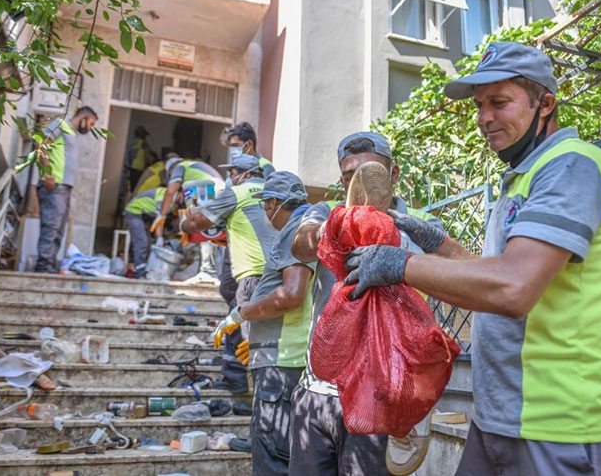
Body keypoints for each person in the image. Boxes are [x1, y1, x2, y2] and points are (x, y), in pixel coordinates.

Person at [343, 42, 601, 476]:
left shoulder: (572, 166)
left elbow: (513, 288)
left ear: (546, 104)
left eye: (499, 103)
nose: (484, 119)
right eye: (480, 106)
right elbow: (494, 274)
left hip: (563, 426)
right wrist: (439, 244)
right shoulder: (522, 178)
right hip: (500, 417)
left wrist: (398, 264)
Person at [289, 131, 458, 476]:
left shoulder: (421, 227)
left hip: (380, 399)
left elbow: (456, 274)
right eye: (350, 176)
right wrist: (333, 227)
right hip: (317, 394)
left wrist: (401, 260)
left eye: (371, 172)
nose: (360, 183)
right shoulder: (328, 215)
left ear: (393, 175)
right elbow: (299, 244)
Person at [217, 171, 313, 475]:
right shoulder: (305, 226)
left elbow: (290, 295)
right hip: (284, 356)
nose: (265, 213)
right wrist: (257, 340)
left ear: (273, 202)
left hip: (282, 362)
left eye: (264, 206)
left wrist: (240, 313)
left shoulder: (294, 230)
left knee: (272, 459)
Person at [182, 154, 279, 394]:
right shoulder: (272, 192)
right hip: (280, 272)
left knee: (252, 336)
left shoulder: (236, 193)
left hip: (253, 274)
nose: (230, 178)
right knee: (252, 323)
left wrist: (182, 223)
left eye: (232, 173)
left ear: (244, 174)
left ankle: (262, 398)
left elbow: (198, 223)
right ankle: (236, 375)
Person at [34, 106, 98, 273]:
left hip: (64, 187)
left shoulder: (71, 133)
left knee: (58, 229)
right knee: (51, 226)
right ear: (84, 117)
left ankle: (49, 264)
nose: (90, 128)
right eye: (91, 123)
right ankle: (43, 266)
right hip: (54, 185)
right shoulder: (60, 124)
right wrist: (48, 173)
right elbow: (40, 143)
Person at [152, 157, 224, 284]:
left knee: (202, 233)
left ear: (171, 169)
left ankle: (204, 272)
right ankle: (213, 273)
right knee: (214, 236)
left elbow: (169, 192)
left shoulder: (180, 167)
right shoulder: (196, 168)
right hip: (220, 192)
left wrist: (161, 216)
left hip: (206, 190)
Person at [123, 186, 167, 278]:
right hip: (134, 212)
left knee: (147, 244)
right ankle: (139, 272)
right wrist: (159, 238)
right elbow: (160, 219)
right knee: (142, 242)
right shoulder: (165, 195)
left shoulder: (170, 199)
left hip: (143, 215)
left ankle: (142, 269)